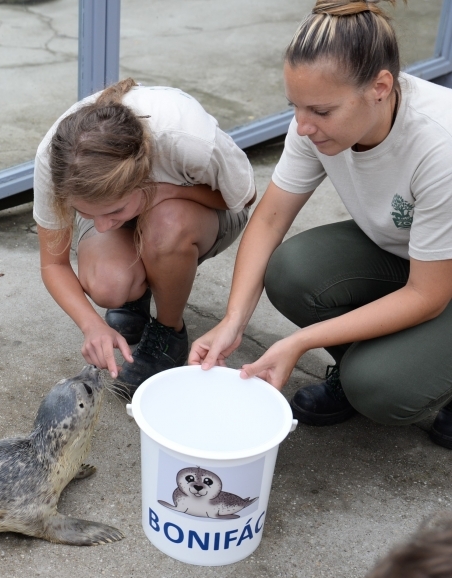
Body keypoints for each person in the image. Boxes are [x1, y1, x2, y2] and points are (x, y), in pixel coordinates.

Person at [189, 0, 452, 449]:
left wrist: (301, 342)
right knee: (291, 271)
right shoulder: (313, 122)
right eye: (295, 106)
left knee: (380, 387)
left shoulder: (439, 146)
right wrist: (233, 320)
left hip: (436, 279)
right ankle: (367, 367)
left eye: (321, 111)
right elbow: (270, 220)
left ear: (380, 87)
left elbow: (428, 295)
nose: (302, 126)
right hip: (414, 255)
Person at [33, 79, 255, 398]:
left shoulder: (189, 140)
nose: (102, 227)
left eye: (114, 211)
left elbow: (243, 198)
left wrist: (164, 192)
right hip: (142, 205)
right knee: (108, 283)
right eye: (85, 212)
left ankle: (169, 332)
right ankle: (136, 294)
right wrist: (91, 325)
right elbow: (53, 263)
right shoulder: (57, 158)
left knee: (166, 224)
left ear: (143, 179)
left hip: (199, 214)